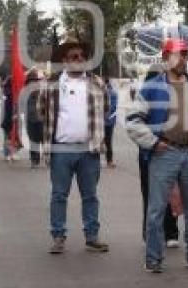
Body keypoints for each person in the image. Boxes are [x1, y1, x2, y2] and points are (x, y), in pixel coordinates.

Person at [126, 38, 188, 274]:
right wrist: (153, 143)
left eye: (186, 55)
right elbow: (133, 121)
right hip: (164, 152)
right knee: (156, 209)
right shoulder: (152, 87)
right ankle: (153, 257)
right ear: (166, 58)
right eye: (179, 55)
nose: (184, 59)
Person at [40, 38, 110, 255]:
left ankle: (92, 237)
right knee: (59, 195)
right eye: (74, 57)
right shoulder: (52, 84)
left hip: (89, 150)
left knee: (90, 195)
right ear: (65, 61)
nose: (79, 60)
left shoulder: (97, 82)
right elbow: (42, 110)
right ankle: (58, 236)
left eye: (82, 56)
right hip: (61, 149)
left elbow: (106, 108)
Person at [133, 64, 180, 247]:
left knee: (169, 193)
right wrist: (152, 142)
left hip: (170, 150)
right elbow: (135, 124)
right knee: (153, 194)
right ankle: (156, 234)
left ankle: (169, 232)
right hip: (149, 153)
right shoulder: (145, 96)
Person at [25, 68, 45, 168]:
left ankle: (48, 158)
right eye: (32, 80)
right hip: (31, 119)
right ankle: (34, 160)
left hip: (42, 119)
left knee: (44, 139)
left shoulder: (43, 91)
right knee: (33, 140)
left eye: (36, 80)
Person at [104, 75, 118, 169]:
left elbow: (112, 107)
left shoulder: (112, 93)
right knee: (108, 141)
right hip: (109, 121)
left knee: (107, 141)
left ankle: (109, 160)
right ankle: (109, 161)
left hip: (107, 121)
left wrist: (104, 115)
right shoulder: (113, 92)